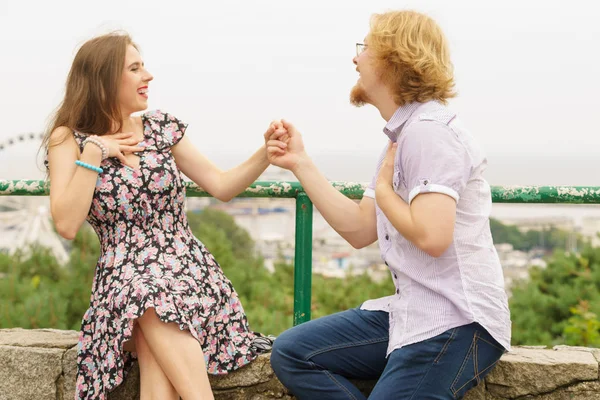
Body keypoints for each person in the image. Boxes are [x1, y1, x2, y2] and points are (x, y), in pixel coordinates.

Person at [265, 10, 511, 399]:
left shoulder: (430, 133)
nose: (355, 58)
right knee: (295, 351)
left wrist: (384, 193)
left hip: (458, 322)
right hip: (413, 312)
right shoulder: (403, 135)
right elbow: (361, 229)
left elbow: (433, 236)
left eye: (365, 48)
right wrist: (300, 163)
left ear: (394, 60)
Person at [43, 32, 278, 400]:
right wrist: (94, 152)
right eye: (135, 68)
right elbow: (67, 224)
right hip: (123, 281)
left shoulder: (161, 127)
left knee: (152, 328)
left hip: (188, 271)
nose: (148, 76)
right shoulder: (68, 139)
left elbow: (221, 185)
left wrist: (267, 152)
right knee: (147, 298)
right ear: (104, 79)